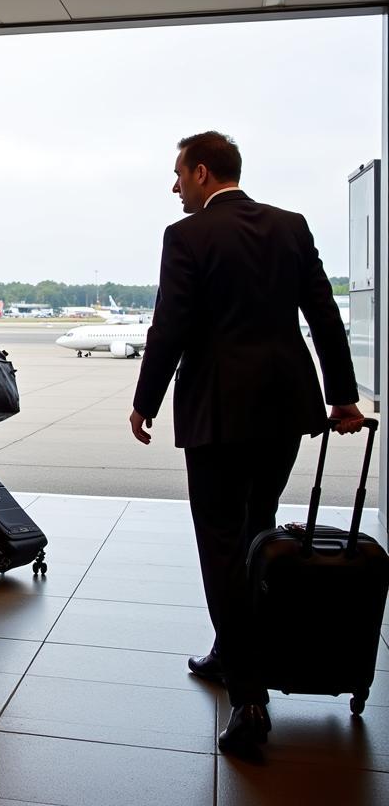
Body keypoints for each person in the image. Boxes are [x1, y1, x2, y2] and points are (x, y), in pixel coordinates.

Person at [129, 131, 363, 757]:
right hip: (286, 408)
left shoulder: (187, 237)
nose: (174, 186)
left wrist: (145, 400)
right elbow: (322, 313)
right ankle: (230, 651)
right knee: (257, 531)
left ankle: (249, 696)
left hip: (218, 414)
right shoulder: (291, 226)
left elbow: (170, 324)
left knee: (222, 546)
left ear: (203, 173)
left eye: (178, 174)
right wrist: (340, 395)